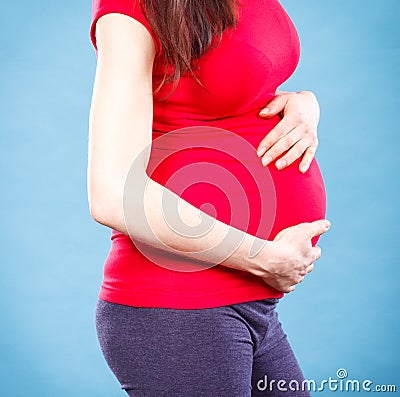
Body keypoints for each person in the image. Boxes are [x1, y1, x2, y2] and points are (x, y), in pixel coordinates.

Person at [87, 0, 330, 396]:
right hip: (178, 309)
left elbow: (232, 83)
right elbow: (113, 193)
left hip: (253, 307)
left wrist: (305, 102)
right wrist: (262, 257)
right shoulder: (128, 8)